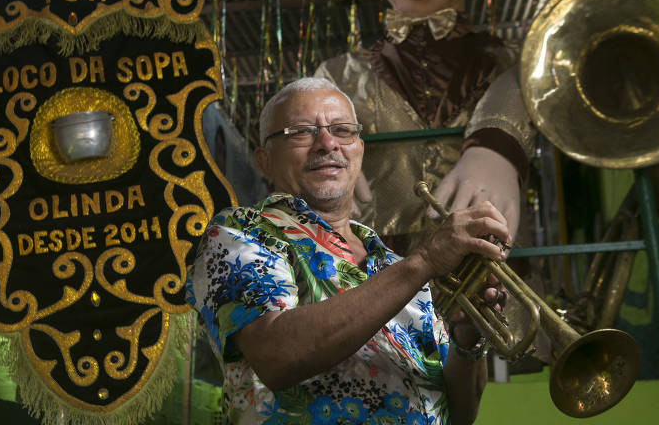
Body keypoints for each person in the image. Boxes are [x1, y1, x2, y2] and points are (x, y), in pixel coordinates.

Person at [186, 77, 511, 424]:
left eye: (343, 130)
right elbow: (276, 356)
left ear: (359, 149)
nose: (327, 143)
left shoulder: (393, 264)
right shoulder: (238, 233)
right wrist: (427, 260)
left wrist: (467, 337)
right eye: (300, 131)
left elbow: (458, 415)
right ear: (265, 160)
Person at [314, 0, 536, 253]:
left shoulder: (520, 62)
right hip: (378, 277)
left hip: (491, 273)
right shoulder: (335, 75)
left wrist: (500, 145)